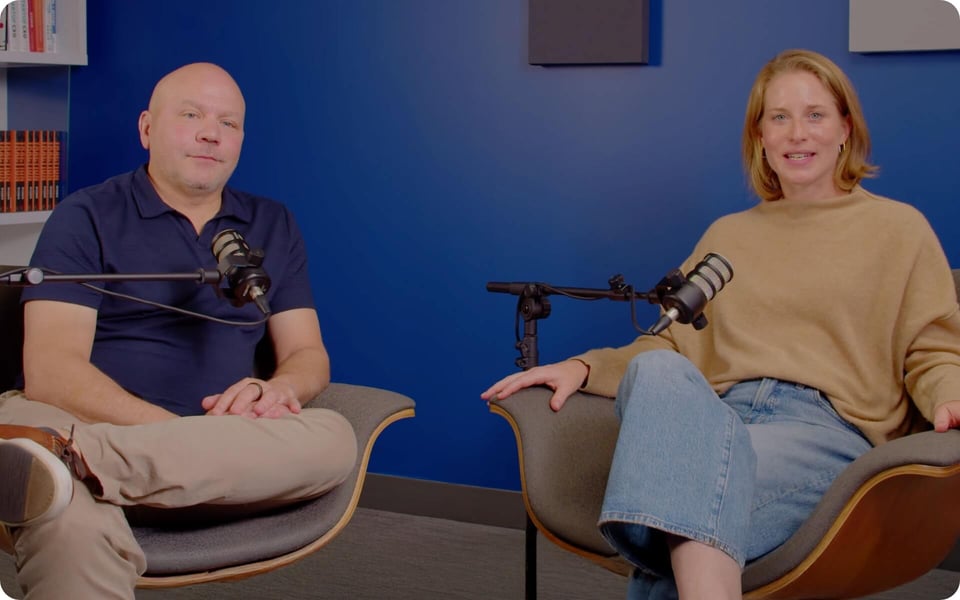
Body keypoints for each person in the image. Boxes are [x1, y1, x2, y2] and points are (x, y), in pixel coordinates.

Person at [482, 48, 960, 599]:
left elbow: (934, 350)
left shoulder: (898, 229)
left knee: (674, 526)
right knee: (660, 374)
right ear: (759, 136)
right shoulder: (728, 235)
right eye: (778, 117)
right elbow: (668, 345)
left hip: (822, 432)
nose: (796, 133)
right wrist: (583, 367)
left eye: (815, 114)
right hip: (713, 420)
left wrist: (949, 395)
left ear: (845, 130)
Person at [0, 63, 357, 599]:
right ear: (147, 129)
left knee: (335, 439)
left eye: (228, 122)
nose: (211, 132)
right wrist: (174, 436)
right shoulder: (86, 215)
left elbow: (308, 354)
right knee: (69, 526)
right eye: (191, 115)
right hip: (83, 420)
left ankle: (70, 467)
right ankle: (62, 472)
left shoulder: (272, 223)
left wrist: (277, 389)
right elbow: (51, 372)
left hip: (162, 450)